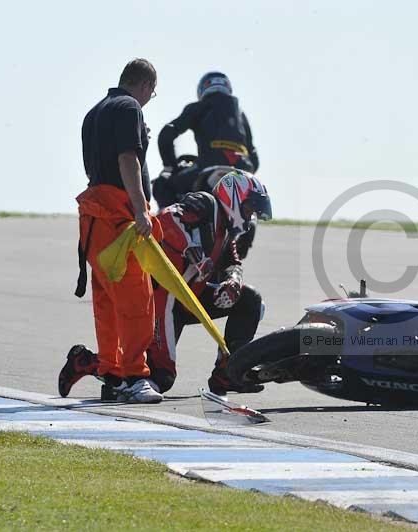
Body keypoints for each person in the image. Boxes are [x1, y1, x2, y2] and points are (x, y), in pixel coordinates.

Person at [59, 170, 272, 398]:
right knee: (160, 378)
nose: (251, 217)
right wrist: (191, 249)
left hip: (188, 300)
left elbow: (234, 263)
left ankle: (227, 374)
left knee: (250, 301)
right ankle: (87, 362)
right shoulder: (205, 204)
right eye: (250, 208)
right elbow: (166, 218)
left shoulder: (228, 233)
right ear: (234, 197)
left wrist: (232, 282)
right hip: (162, 299)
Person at [59, 58, 162, 403]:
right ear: (145, 85)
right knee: (136, 301)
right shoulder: (130, 107)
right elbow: (127, 159)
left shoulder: (95, 112)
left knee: (106, 300)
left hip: (92, 218)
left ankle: (113, 374)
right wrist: (139, 210)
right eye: (153, 92)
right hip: (118, 216)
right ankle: (135, 376)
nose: (150, 98)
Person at [152, 72, 260, 208]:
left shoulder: (199, 107)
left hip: (207, 168)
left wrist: (171, 165)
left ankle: (173, 227)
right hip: (243, 169)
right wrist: (248, 169)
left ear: (202, 89)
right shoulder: (241, 115)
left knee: (163, 184)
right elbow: (254, 156)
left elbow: (167, 133)